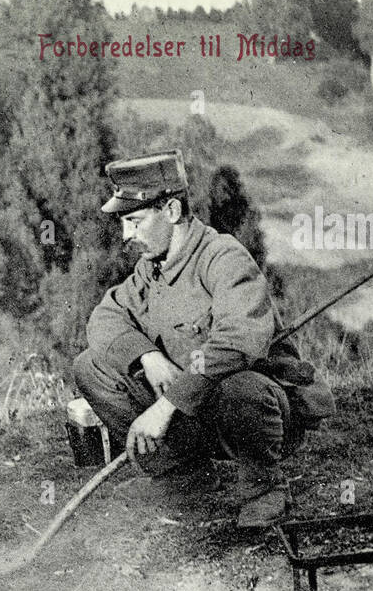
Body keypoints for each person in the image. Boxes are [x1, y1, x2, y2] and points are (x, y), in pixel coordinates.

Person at [73, 149, 334, 529]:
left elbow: (236, 344)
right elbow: (104, 318)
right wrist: (146, 355)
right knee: (90, 366)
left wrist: (164, 408)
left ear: (173, 212)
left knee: (240, 386)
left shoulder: (222, 257)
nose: (126, 235)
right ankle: (182, 475)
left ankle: (264, 487)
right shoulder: (152, 269)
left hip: (255, 413)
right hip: (195, 412)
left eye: (134, 221)